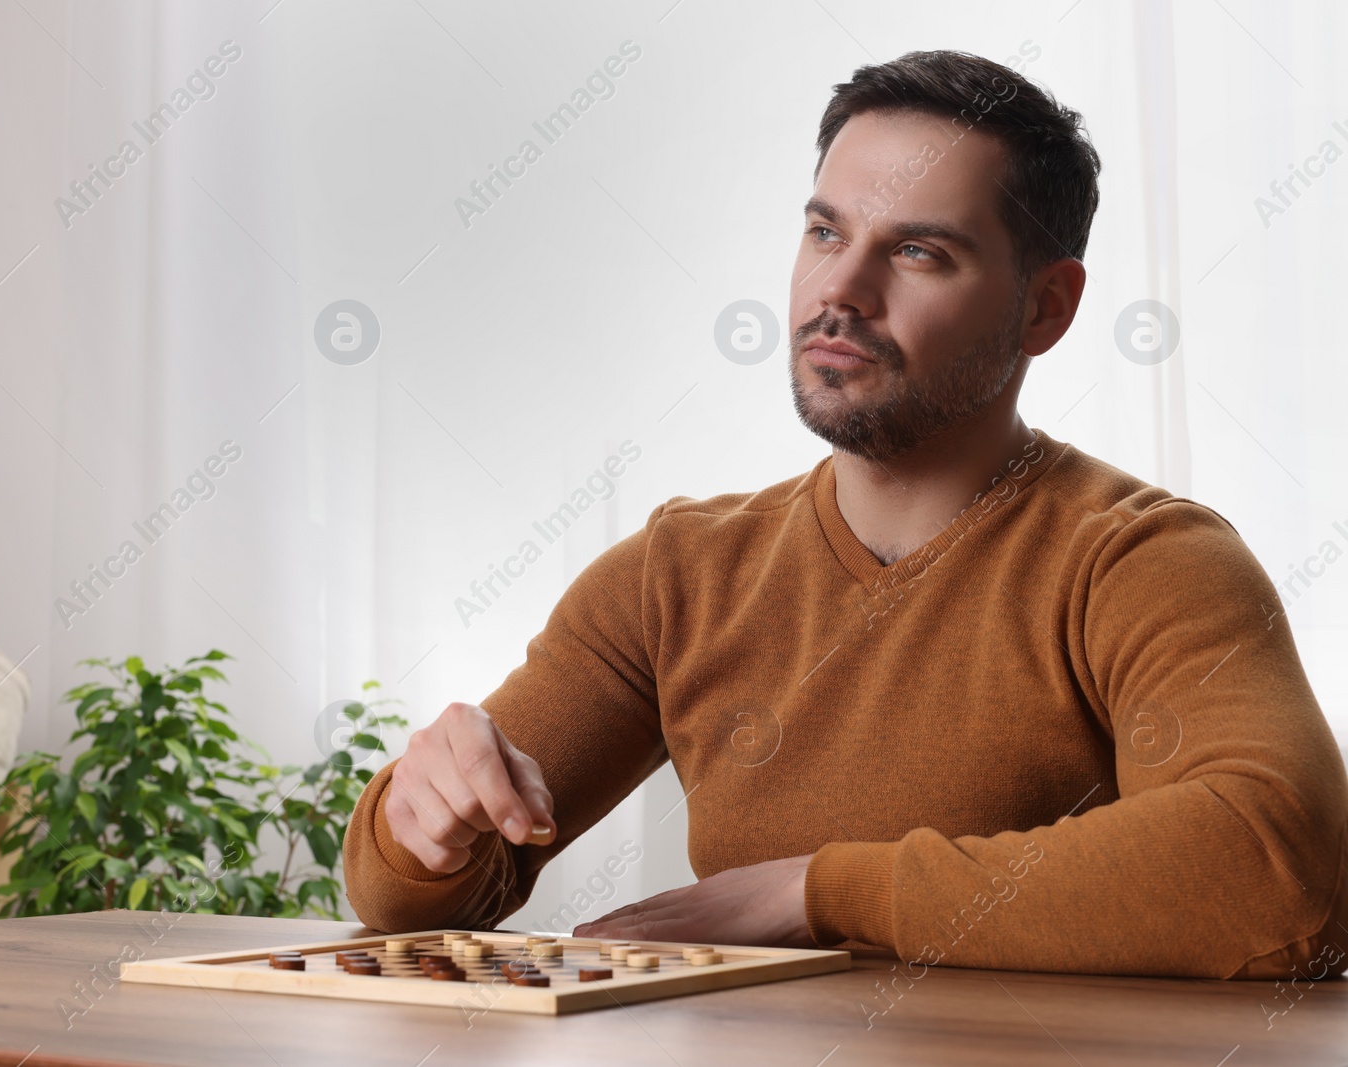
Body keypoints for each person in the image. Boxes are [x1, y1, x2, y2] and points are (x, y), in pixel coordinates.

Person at [342, 49, 1348, 979]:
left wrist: (812, 891)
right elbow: (400, 898)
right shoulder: (676, 573)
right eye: (825, 231)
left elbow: (1282, 867)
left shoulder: (1141, 560)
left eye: (916, 251)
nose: (840, 289)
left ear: (1045, 308)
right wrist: (422, 819)